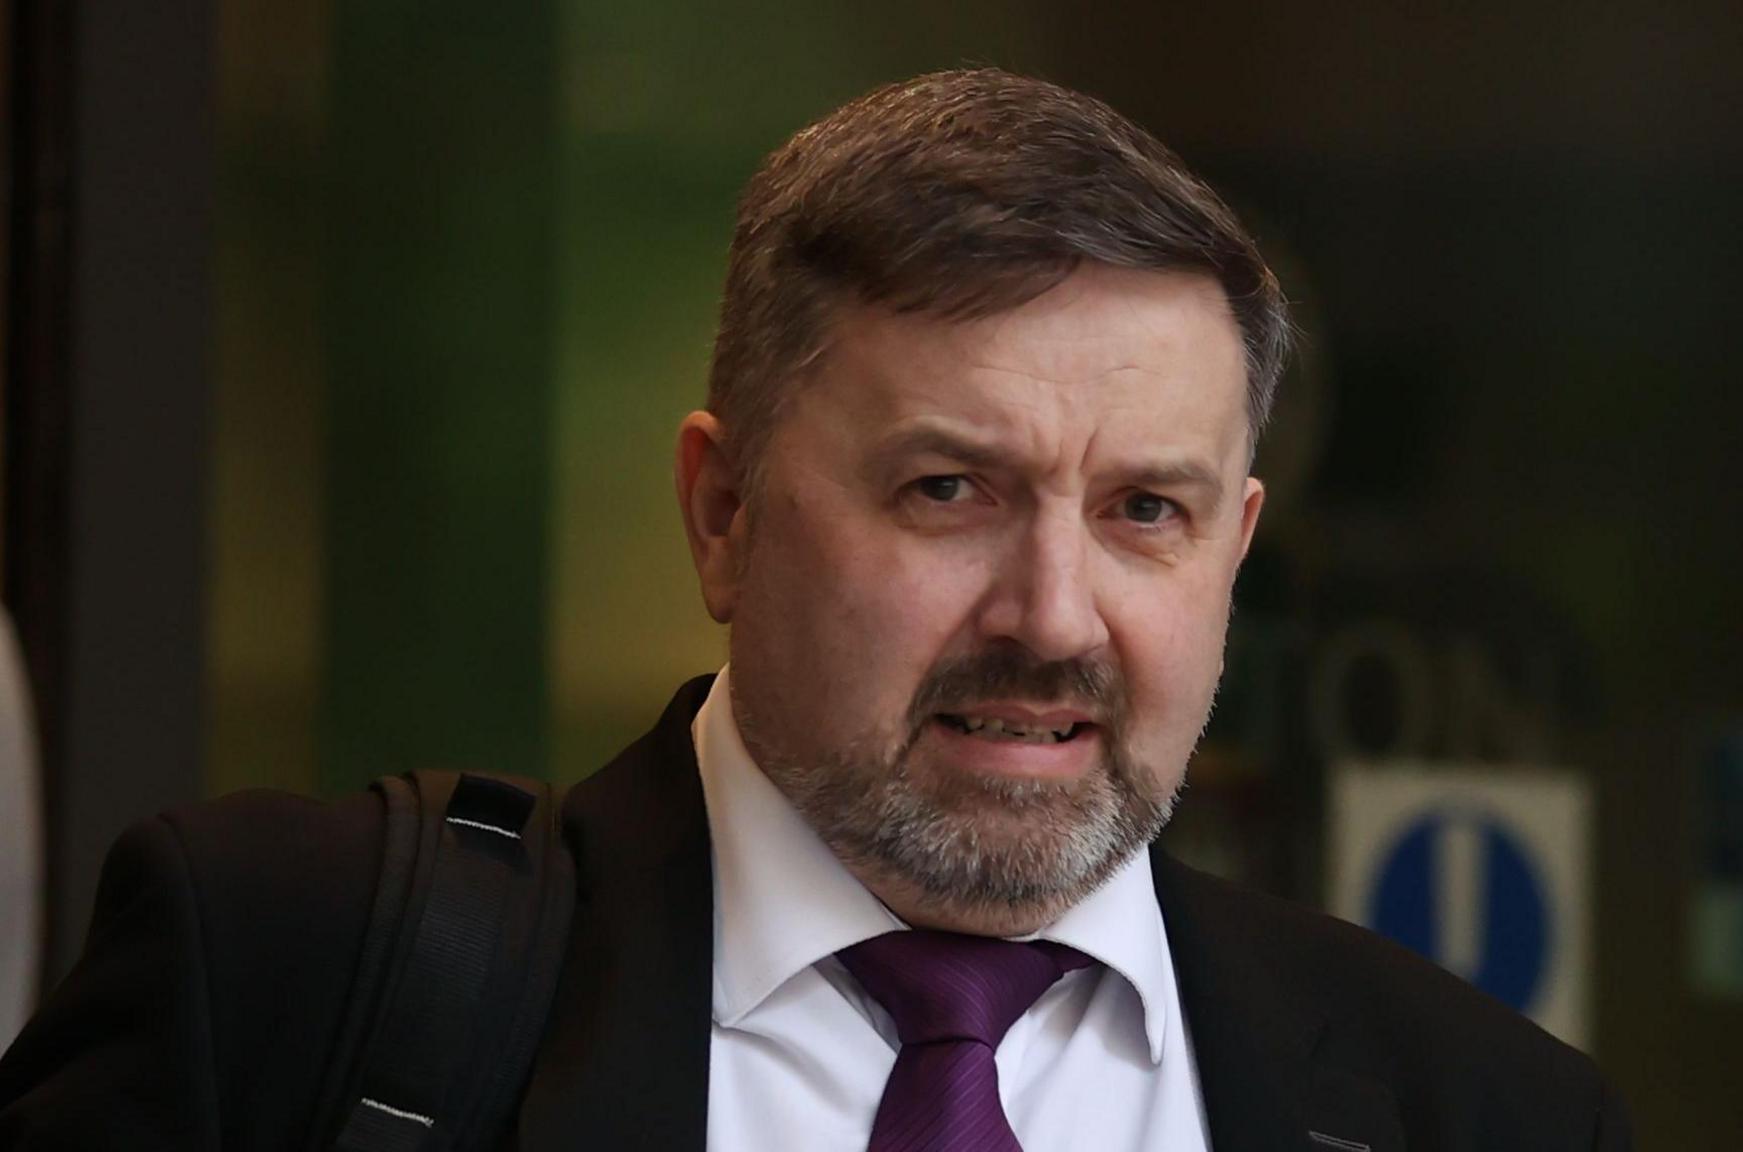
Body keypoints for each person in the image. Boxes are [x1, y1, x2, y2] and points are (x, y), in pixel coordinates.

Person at [0, 69, 1631, 1151]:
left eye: (1147, 511)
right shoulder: (286, 982)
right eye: (949, 490)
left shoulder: (1488, 1117)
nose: (1052, 614)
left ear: (1235, 547)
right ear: (724, 514)